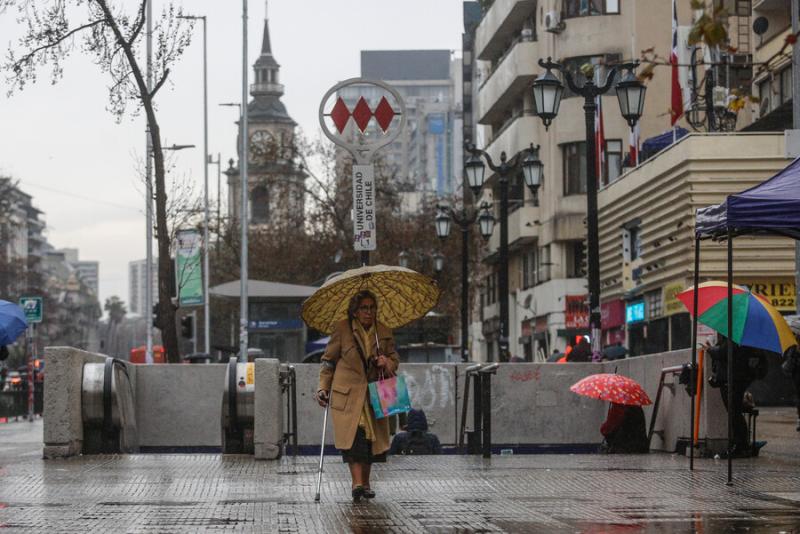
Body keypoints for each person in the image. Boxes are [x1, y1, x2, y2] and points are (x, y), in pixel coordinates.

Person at [316, 290, 400, 502]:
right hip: (348, 394)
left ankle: (366, 482)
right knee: (355, 438)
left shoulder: (384, 331)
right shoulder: (341, 329)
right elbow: (328, 362)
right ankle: (357, 483)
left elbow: (394, 361)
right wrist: (322, 387)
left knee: (372, 440)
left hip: (375, 393)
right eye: (364, 308)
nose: (369, 312)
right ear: (355, 310)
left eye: (372, 307)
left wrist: (386, 362)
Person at [706, 335, 768, 456]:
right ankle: (741, 444)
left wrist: (710, 349)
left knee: (734, 413)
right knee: (734, 412)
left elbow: (724, 352)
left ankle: (740, 445)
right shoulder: (741, 337)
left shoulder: (734, 336)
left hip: (732, 379)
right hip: (735, 378)